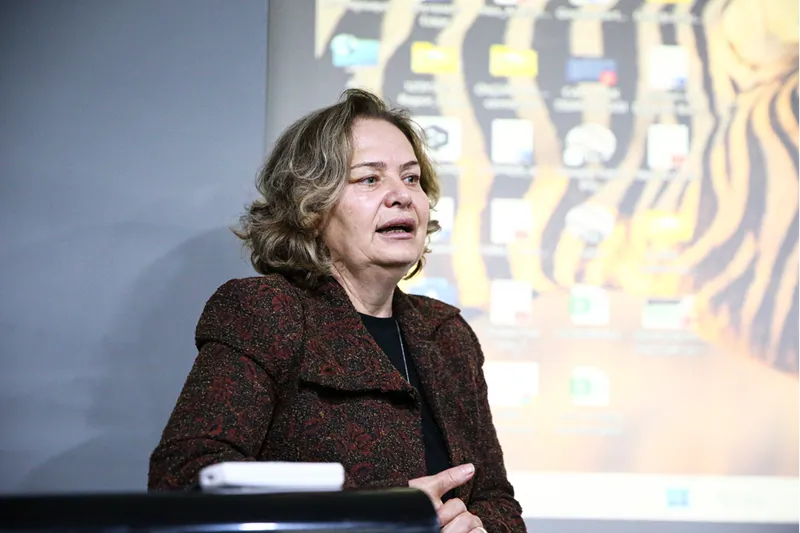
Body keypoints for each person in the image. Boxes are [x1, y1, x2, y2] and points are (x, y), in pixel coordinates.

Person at [148, 88, 526, 533]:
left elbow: (496, 500)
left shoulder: (447, 334)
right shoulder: (267, 312)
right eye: (370, 179)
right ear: (311, 206)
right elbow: (183, 478)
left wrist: (480, 528)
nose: (402, 196)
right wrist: (377, 514)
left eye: (411, 179)